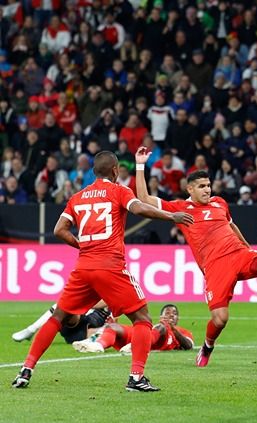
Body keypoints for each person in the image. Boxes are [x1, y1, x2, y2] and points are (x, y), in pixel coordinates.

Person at [11, 151, 194, 392]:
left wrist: (81, 244)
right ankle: (136, 377)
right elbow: (139, 208)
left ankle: (26, 370)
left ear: (94, 171)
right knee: (142, 319)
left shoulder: (78, 196)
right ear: (116, 171)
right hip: (110, 266)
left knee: (57, 318)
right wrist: (172, 216)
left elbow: (59, 229)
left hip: (83, 266)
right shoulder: (119, 191)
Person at [134, 147, 257, 367]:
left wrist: (248, 248)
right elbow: (144, 198)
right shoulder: (180, 208)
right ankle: (207, 346)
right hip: (215, 266)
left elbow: (232, 226)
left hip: (238, 254)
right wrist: (140, 165)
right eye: (201, 186)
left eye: (208, 185)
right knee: (220, 319)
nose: (207, 189)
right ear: (190, 189)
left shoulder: (220, 203)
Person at [73, 304, 194, 353]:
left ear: (178, 318)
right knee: (113, 327)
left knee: (161, 327)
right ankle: (98, 345)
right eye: (167, 313)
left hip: (159, 339)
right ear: (161, 316)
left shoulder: (182, 331)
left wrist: (173, 329)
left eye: (174, 314)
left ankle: (137, 345)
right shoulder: (153, 327)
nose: (170, 316)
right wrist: (108, 326)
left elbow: (189, 346)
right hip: (145, 334)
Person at [11, 302, 110, 344]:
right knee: (62, 305)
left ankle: (97, 340)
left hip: (92, 323)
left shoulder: (110, 284)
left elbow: (106, 301)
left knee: (109, 329)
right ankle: (31, 330)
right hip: (76, 320)